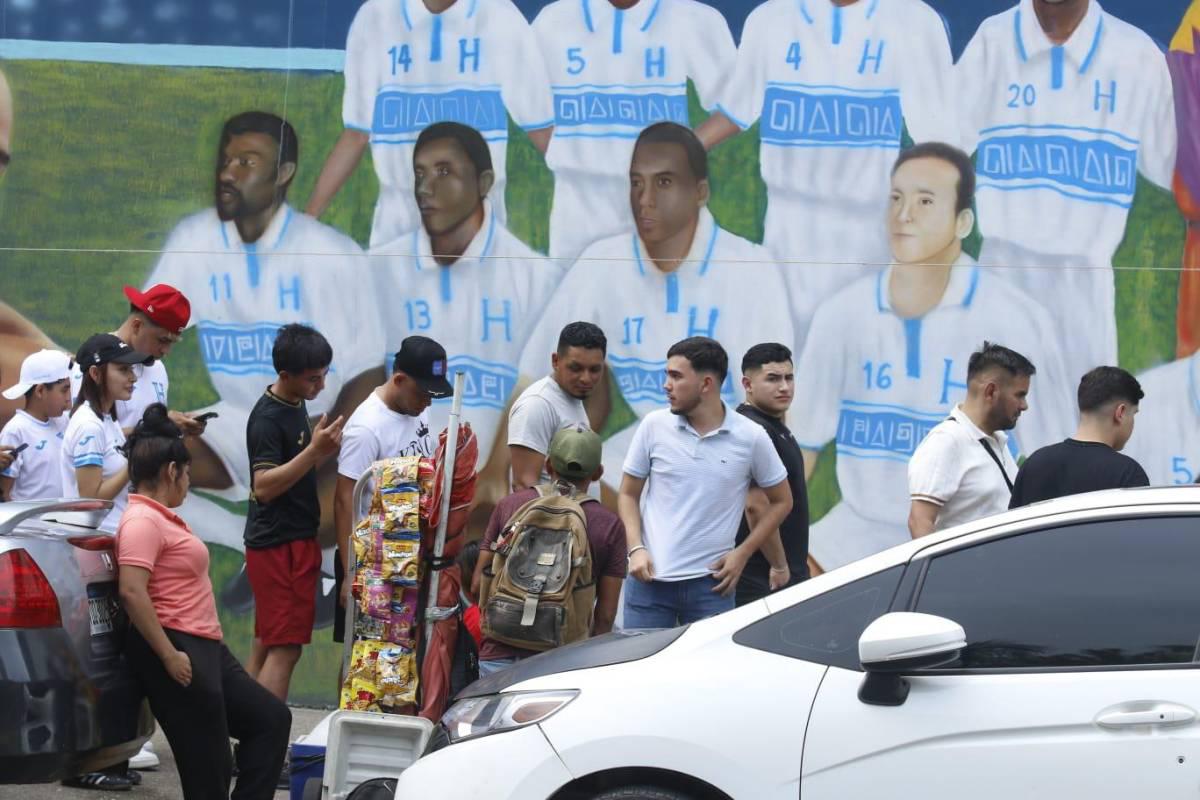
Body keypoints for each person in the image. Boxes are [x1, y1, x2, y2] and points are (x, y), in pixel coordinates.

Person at [792, 142, 1072, 570]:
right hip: (852, 539)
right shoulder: (841, 315)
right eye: (896, 198)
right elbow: (803, 454)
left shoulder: (1017, 318)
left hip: (973, 540)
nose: (904, 215)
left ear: (963, 221)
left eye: (924, 201)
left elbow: (1052, 458)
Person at [518, 123, 793, 490]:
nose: (645, 199)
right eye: (636, 183)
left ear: (700, 192)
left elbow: (774, 401)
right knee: (580, 493)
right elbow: (533, 376)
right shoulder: (602, 262)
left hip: (728, 454)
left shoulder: (752, 270)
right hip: (648, 446)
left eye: (663, 182)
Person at [697, 0, 956, 339]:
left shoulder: (915, 21)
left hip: (868, 236)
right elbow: (736, 110)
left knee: (859, 354)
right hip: (784, 230)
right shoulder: (770, 19)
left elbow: (941, 142)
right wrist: (674, 146)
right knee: (782, 361)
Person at [957, 0, 1176, 387]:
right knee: (985, 424)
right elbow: (943, 140)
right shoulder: (993, 41)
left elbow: (1171, 166)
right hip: (1002, 268)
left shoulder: (1137, 55)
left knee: (1084, 425)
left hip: (1085, 281)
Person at [369, 121, 562, 515]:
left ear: (484, 182)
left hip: (489, 498)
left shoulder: (535, 277)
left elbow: (545, 389)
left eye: (444, 172)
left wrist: (495, 475)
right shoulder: (379, 269)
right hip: (400, 486)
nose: (425, 187)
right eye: (420, 173)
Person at [116, 404, 291, 800]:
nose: (189, 482)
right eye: (188, 473)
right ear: (170, 471)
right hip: (176, 647)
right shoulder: (142, 521)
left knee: (270, 720)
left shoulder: (160, 517)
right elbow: (131, 590)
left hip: (204, 645)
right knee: (209, 773)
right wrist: (167, 656)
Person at [306, 0, 555, 248]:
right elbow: (356, 134)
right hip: (396, 238)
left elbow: (542, 129)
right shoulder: (374, 17)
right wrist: (309, 219)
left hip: (478, 239)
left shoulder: (501, 17)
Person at [531, 0, 736, 263]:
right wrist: (562, 151)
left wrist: (682, 151)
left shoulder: (691, 18)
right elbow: (526, 98)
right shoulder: (554, 21)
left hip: (665, 202)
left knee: (669, 296)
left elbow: (738, 100)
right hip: (578, 210)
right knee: (581, 298)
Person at [618, 337, 792, 628]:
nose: (666, 385)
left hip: (711, 587)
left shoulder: (751, 436)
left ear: (706, 384)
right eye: (667, 375)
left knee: (707, 675)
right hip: (647, 581)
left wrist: (742, 553)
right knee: (638, 672)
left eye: (676, 376)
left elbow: (782, 501)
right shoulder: (653, 426)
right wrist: (635, 549)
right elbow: (627, 493)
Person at [243, 324, 344, 702]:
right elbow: (264, 486)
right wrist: (315, 452)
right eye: (312, 379)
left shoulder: (294, 403)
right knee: (285, 649)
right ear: (285, 376)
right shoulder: (268, 418)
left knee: (264, 644)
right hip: (279, 546)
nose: (320, 386)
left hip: (286, 542)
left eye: (324, 375)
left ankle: (244, 735)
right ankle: (266, 743)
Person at [478, 424, 626, 674]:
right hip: (562, 661)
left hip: (499, 654)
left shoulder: (510, 506)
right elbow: (604, 617)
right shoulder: (609, 525)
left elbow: (479, 580)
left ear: (548, 466)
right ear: (598, 473)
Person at [332, 335, 452, 644]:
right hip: (371, 560)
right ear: (399, 379)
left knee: (402, 653)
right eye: (424, 393)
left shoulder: (416, 408)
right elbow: (345, 498)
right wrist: (350, 573)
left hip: (411, 551)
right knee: (361, 654)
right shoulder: (366, 428)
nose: (428, 402)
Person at [907, 342, 1036, 537]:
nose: (1024, 405)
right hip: (966, 567)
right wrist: (946, 569)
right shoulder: (947, 440)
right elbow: (919, 521)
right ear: (991, 392)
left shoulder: (997, 441)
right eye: (1019, 395)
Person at [733, 343, 808, 606]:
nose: (784, 387)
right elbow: (756, 506)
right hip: (762, 579)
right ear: (747, 384)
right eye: (773, 379)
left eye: (789, 377)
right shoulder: (753, 429)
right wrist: (779, 565)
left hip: (777, 576)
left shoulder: (772, 426)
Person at [1009, 367, 1148, 508]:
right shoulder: (1128, 475)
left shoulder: (1033, 465)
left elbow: (1012, 527)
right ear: (1121, 413)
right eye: (1133, 414)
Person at [62, 334, 154, 532]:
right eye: (123, 369)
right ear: (95, 374)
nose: (133, 377)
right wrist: (134, 462)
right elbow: (91, 499)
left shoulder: (105, 419)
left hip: (111, 537)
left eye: (131, 369)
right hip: (97, 541)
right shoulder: (90, 426)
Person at [508, 321, 605, 491]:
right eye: (576, 368)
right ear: (555, 361)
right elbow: (523, 485)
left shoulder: (570, 397)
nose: (586, 378)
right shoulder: (537, 404)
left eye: (594, 370)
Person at [0, 349, 73, 501]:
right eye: (64, 391)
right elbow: (4, 493)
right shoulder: (15, 431)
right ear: (40, 391)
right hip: (28, 524)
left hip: (63, 521)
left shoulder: (64, 422)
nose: (68, 398)